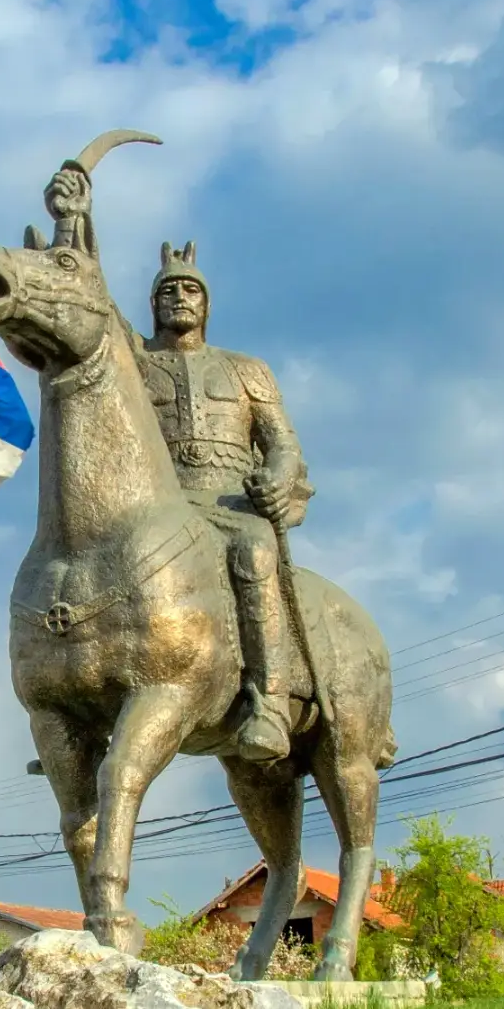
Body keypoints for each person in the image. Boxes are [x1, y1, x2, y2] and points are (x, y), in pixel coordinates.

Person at [45, 165, 311, 762]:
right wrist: (73, 221)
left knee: (255, 550)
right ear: (153, 305)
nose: (179, 298)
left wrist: (277, 476)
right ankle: (78, 712)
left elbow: (283, 444)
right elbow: (88, 297)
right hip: (158, 505)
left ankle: (268, 705)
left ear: (206, 303)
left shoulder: (247, 369)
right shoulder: (136, 358)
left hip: (230, 503)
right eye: (167, 292)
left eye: (190, 290)